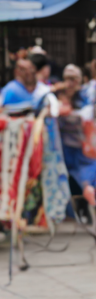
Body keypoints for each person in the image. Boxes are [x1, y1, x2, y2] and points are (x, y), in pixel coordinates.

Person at [55, 64, 96, 206]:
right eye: (67, 79)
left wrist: (71, 112)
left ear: (80, 81)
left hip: (82, 149)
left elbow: (89, 114)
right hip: (61, 149)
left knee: (86, 173)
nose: (69, 83)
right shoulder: (56, 96)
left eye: (73, 79)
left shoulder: (85, 97)